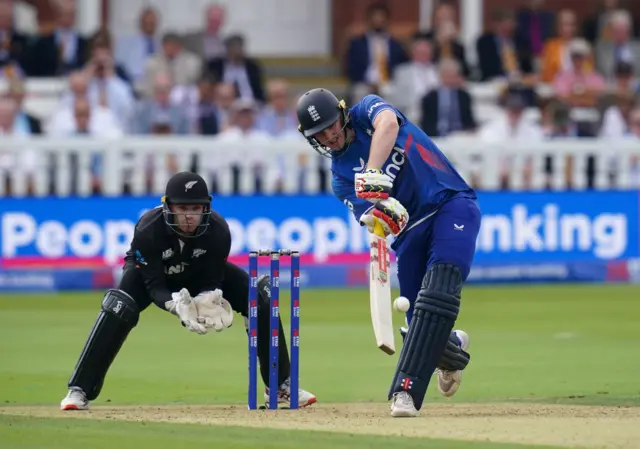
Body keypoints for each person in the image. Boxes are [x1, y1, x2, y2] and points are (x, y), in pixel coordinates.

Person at [60, 171, 316, 410]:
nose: (189, 216)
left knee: (260, 294)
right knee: (119, 305)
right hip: (155, 276)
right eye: (182, 208)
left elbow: (213, 278)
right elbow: (154, 286)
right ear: (168, 206)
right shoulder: (148, 230)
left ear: (206, 207)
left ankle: (280, 385)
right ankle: (80, 389)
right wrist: (174, 304)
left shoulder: (218, 231)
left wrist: (207, 298)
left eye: (195, 208)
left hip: (199, 274)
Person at [296, 89, 480, 417]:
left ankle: (404, 392)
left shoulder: (366, 110)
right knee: (420, 322)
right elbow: (375, 217)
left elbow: (389, 125)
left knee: (440, 285)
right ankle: (451, 347)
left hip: (450, 202)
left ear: (342, 114)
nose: (329, 136)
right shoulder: (340, 177)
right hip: (409, 234)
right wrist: (380, 214)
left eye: (330, 126)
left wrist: (372, 171)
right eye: (319, 134)